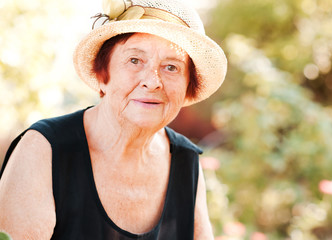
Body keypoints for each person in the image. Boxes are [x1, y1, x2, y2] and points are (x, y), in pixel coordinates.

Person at [0, 0, 227, 239]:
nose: (153, 81)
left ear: (187, 86)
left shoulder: (185, 160)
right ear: (102, 73)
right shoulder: (44, 149)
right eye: (135, 60)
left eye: (171, 67)